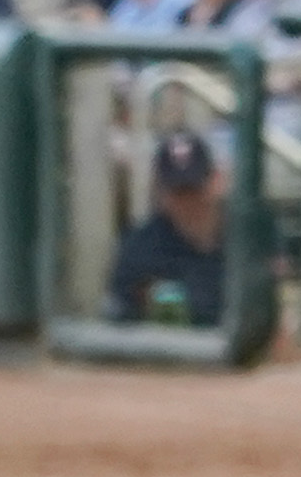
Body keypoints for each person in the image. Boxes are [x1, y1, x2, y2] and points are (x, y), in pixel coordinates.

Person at [102, 126, 246, 329]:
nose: (187, 202)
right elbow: (120, 323)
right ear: (160, 192)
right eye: (178, 192)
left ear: (216, 181)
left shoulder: (249, 237)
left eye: (194, 189)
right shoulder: (140, 247)